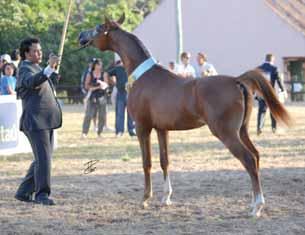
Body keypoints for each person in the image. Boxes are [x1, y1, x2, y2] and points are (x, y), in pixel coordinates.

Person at [14, 37, 61, 205]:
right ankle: (42, 195)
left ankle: (23, 192)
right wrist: (48, 68)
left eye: (40, 50)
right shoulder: (25, 68)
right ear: (26, 53)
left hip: (45, 120)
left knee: (43, 158)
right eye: (35, 51)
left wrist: (52, 72)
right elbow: (32, 82)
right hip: (35, 121)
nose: (39, 53)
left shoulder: (36, 67)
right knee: (44, 159)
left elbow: (45, 85)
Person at [257, 53, 285, 135]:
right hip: (271, 94)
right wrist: (283, 90)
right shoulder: (274, 68)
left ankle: (259, 128)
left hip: (261, 93)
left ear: (265, 59)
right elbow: (279, 80)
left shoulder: (258, 68)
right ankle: (273, 128)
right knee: (273, 112)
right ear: (272, 60)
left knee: (261, 111)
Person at [107, 60, 136, 137]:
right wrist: (112, 83)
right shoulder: (118, 69)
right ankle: (119, 131)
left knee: (131, 114)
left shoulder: (131, 68)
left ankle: (131, 130)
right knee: (120, 113)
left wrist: (130, 83)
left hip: (130, 93)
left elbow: (135, 77)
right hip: (120, 93)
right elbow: (107, 73)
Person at [81, 58, 109, 138]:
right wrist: (95, 87)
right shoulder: (90, 74)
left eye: (100, 65)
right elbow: (86, 86)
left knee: (102, 116)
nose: (100, 66)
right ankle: (84, 133)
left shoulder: (104, 74)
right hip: (92, 97)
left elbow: (107, 84)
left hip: (102, 96)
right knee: (88, 115)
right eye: (98, 65)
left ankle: (99, 133)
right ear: (95, 65)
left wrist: (103, 85)